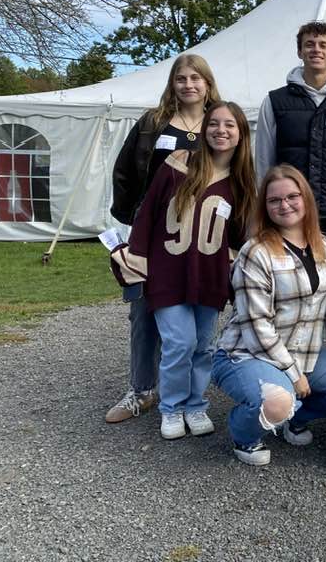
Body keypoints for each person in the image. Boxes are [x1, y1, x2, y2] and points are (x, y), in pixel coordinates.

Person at [111, 102, 256, 440]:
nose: (221, 130)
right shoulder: (179, 163)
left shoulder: (241, 181)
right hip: (168, 271)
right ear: (204, 129)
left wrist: (234, 269)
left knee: (203, 345)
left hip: (208, 275)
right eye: (214, 123)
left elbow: (240, 234)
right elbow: (148, 213)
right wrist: (138, 259)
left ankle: (195, 404)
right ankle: (172, 407)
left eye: (229, 125)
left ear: (241, 134)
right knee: (179, 342)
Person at [212, 165, 326, 466]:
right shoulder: (255, 252)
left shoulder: (323, 245)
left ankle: (293, 418)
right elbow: (257, 329)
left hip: (303, 352)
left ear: (306, 199)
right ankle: (245, 436)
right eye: (274, 200)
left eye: (292, 197)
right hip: (246, 354)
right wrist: (294, 376)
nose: (284, 205)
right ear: (265, 207)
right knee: (278, 400)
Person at [105, 54, 221, 424]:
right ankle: (141, 390)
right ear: (172, 84)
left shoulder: (219, 123)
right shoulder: (152, 123)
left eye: (195, 78)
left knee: (196, 314)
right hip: (153, 232)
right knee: (143, 310)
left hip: (200, 236)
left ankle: (190, 398)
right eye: (181, 79)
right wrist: (135, 218)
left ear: (207, 83)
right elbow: (124, 172)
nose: (188, 85)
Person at [255, 21, 326, 355]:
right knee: (286, 287)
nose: (316, 50)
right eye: (309, 44)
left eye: (322, 45)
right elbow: (264, 161)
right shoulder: (275, 102)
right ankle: (282, 360)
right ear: (299, 51)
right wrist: (268, 211)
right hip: (288, 217)